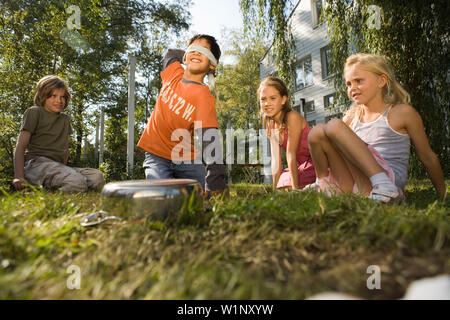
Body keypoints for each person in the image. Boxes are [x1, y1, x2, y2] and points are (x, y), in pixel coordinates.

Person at [307, 53, 446, 202]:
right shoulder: (351, 118)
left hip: (388, 180)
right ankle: (323, 184)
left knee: (333, 125)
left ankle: (384, 185)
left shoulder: (401, 113)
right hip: (361, 185)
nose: (352, 88)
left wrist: (442, 194)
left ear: (381, 81)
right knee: (316, 132)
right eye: (348, 84)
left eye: (358, 81)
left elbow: (427, 156)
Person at [137, 34, 228, 196]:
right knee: (161, 196)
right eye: (193, 49)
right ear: (185, 57)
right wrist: (190, 53)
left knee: (209, 193)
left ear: (213, 65)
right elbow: (171, 53)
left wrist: (215, 178)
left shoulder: (204, 96)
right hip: (156, 155)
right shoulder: (173, 73)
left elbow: (209, 138)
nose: (197, 52)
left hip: (187, 159)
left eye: (204, 50)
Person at [13, 75, 105, 192]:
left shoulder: (65, 119)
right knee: (77, 181)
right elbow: (21, 145)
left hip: (57, 166)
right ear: (43, 96)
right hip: (36, 165)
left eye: (62, 97)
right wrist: (18, 176)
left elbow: (65, 150)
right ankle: (46, 193)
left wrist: (64, 171)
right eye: (53, 96)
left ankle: (61, 185)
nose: (59, 101)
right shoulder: (34, 112)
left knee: (97, 177)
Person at [258, 77, 316, 190]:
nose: (267, 103)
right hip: (299, 167)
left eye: (272, 98)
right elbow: (276, 160)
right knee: (281, 184)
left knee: (288, 185)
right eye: (263, 99)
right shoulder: (270, 124)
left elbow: (291, 154)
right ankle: (305, 187)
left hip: (316, 163)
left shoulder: (292, 117)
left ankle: (306, 188)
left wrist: (295, 189)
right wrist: (275, 191)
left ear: (283, 100)